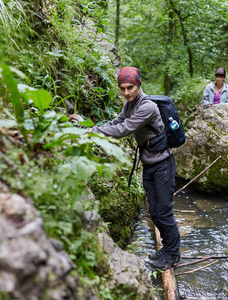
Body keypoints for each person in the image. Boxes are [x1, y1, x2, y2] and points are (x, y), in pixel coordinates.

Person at [71, 67, 181, 270]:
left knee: (164, 212)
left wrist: (90, 132)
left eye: (130, 87)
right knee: (155, 213)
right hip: (149, 165)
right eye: (122, 89)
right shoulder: (130, 105)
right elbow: (116, 122)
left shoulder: (146, 107)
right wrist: (86, 127)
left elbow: (124, 129)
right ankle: (166, 250)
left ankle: (173, 254)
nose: (126, 92)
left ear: (138, 84)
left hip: (163, 165)